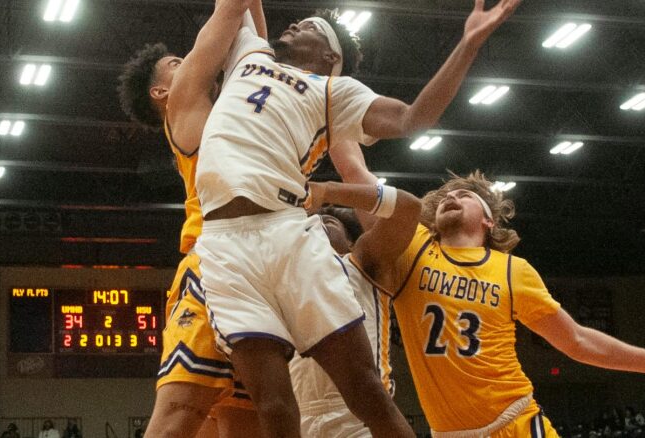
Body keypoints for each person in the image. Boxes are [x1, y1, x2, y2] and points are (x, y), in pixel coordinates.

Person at [191, 0, 522, 436]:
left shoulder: (334, 91)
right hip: (222, 244)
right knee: (272, 405)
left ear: (331, 58)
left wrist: (469, 43)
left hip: (284, 229)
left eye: (308, 25)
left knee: (365, 391)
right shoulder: (249, 53)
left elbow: (411, 118)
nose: (293, 24)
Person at [383, 171, 645, 437]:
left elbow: (577, 340)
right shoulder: (414, 248)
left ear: (489, 221)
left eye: (464, 195)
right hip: (448, 433)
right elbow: (363, 184)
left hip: (516, 424)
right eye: (446, 196)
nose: (452, 197)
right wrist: (336, 112)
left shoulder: (514, 271)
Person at [116, 0, 267, 436]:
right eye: (177, 62)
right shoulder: (184, 103)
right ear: (161, 93)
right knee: (179, 415)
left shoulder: (238, 106)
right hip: (215, 260)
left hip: (263, 261)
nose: (193, 57)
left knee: (244, 423)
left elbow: (259, 49)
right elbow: (230, 11)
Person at [289, 172, 422, 437]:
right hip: (298, 416)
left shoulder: (362, 262)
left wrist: (327, 191)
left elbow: (409, 208)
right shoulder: (285, 279)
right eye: (309, 223)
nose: (316, 223)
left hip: (359, 415)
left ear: (351, 241)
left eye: (328, 222)